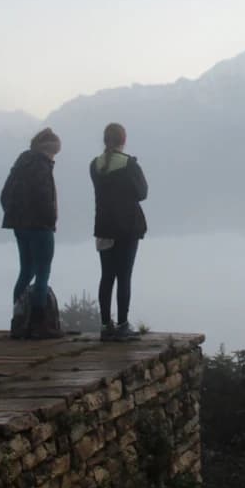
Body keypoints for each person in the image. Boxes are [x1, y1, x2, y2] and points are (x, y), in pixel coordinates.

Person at [90, 122, 148, 341]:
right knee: (124, 276)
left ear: (105, 140)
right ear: (124, 140)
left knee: (107, 276)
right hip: (127, 227)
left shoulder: (94, 165)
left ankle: (106, 325)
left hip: (103, 227)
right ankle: (123, 324)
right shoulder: (128, 164)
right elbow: (142, 193)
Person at [0, 128, 61, 327]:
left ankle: (19, 320)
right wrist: (50, 221)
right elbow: (44, 199)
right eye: (54, 154)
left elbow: (4, 195)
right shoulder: (42, 166)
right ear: (48, 150)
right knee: (43, 272)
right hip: (40, 227)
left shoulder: (22, 163)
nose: (54, 159)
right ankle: (38, 324)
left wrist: (15, 217)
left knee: (26, 271)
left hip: (19, 226)